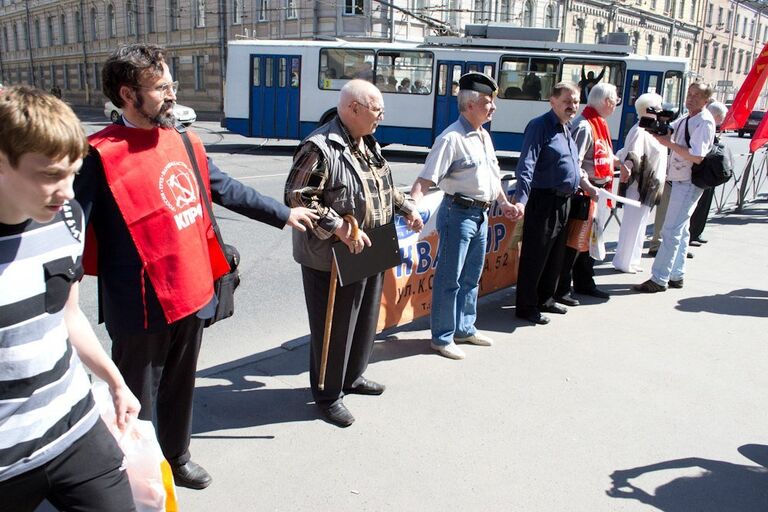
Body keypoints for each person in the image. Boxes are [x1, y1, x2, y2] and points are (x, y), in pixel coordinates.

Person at [74, 44, 317, 489]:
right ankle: (135, 478)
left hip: (192, 288)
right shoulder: (97, 154)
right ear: (129, 94)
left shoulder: (183, 138)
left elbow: (224, 187)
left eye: (172, 84)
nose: (172, 94)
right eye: (161, 86)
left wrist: (284, 215)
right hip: (139, 302)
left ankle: (177, 456)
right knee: (135, 397)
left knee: (180, 385)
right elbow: (72, 224)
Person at [0, 86, 141, 511]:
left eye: (73, 173)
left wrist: (116, 382)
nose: (66, 191)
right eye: (49, 175)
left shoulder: (67, 218)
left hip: (75, 430)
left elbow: (66, 314)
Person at [284, 80, 423, 427]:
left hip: (372, 242)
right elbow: (299, 196)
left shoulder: (367, 142)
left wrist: (407, 208)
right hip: (333, 253)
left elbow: (383, 186)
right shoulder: (320, 146)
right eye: (377, 109)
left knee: (363, 321)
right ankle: (328, 395)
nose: (381, 115)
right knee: (334, 326)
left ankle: (353, 376)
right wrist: (339, 227)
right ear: (353, 109)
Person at [410, 72, 517, 360]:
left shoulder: (483, 136)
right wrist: (410, 206)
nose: (493, 107)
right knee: (449, 278)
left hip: (480, 214)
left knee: (471, 276)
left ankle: (464, 328)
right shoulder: (451, 138)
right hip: (458, 213)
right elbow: (426, 178)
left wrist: (505, 203)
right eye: (487, 102)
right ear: (469, 105)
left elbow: (493, 178)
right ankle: (442, 337)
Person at [509, 82, 598, 325]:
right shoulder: (540, 126)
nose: (573, 106)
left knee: (555, 254)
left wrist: (586, 186)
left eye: (576, 101)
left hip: (564, 200)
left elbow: (571, 164)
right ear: (553, 101)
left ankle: (545, 299)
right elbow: (526, 165)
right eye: (567, 101)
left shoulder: (566, 127)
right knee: (535, 255)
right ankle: (526, 306)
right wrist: (522, 200)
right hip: (543, 199)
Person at [634, 82, 716, 293]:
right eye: (689, 94)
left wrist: (667, 143)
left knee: (669, 230)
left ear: (705, 100)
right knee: (681, 229)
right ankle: (676, 274)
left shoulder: (704, 122)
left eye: (696, 95)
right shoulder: (689, 118)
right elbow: (670, 129)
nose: (690, 98)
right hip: (680, 179)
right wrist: (658, 124)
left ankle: (659, 278)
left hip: (689, 181)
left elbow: (697, 156)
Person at [555, 83, 619, 305]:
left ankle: (584, 283)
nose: (616, 105)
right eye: (615, 101)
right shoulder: (585, 126)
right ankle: (562, 289)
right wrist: (588, 187)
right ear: (606, 102)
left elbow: (601, 156)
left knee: (588, 244)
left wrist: (620, 163)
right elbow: (576, 162)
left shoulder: (598, 123)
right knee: (574, 243)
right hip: (585, 193)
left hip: (595, 192)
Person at [612, 92, 668, 274]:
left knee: (640, 223)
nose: (660, 111)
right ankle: (624, 261)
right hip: (639, 185)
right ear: (647, 110)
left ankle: (632, 259)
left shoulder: (650, 130)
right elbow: (631, 156)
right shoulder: (640, 130)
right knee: (632, 224)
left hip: (648, 185)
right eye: (657, 108)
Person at [689, 100, 728, 246]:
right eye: (721, 118)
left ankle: (696, 232)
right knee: (696, 206)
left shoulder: (710, 125)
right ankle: (691, 235)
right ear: (715, 115)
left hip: (708, 172)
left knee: (704, 204)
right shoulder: (704, 124)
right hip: (701, 172)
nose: (721, 122)